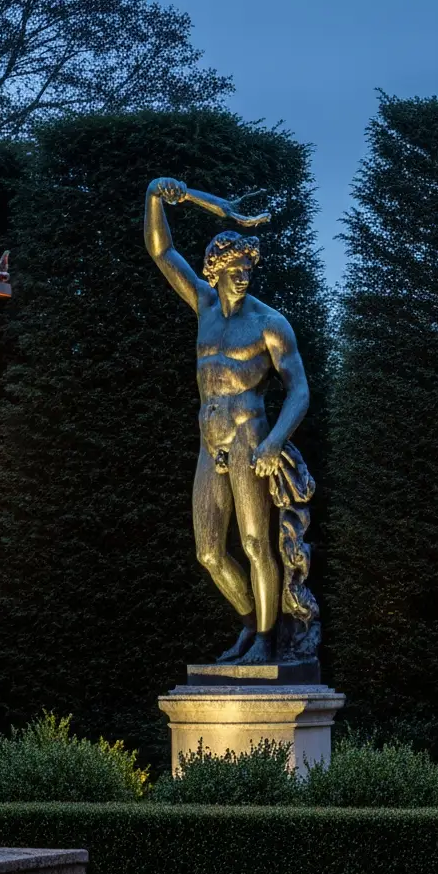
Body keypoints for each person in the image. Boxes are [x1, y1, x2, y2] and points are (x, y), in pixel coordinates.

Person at [143, 178, 314, 667]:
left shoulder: (270, 323)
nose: (242, 276)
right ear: (215, 270)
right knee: (209, 553)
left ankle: (266, 638)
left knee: (258, 542)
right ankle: (249, 626)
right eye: (234, 269)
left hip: (249, 437)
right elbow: (161, 251)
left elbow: (298, 390)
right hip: (209, 440)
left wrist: (274, 443)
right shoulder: (203, 306)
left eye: (247, 269)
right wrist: (157, 194)